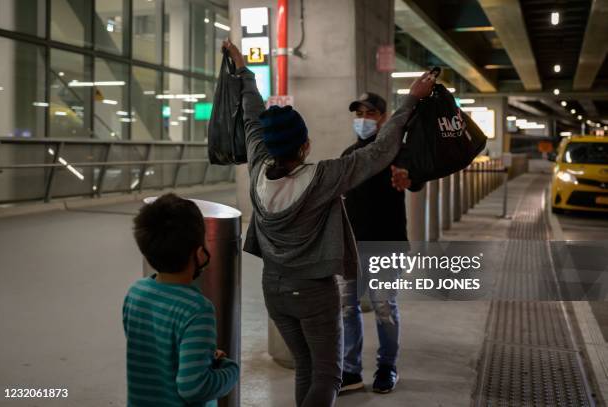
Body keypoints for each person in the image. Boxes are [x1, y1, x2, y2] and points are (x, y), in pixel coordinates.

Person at [222, 40, 435, 407]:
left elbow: (252, 115)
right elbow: (380, 151)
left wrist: (243, 72)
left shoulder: (257, 168)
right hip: (312, 293)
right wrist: (412, 100)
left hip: (273, 289)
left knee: (306, 365)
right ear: (305, 147)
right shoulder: (321, 179)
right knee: (328, 376)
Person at [339, 93, 425, 394]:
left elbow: (414, 179)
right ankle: (350, 370)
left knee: (383, 307)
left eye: (370, 113)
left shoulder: (395, 153)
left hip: (386, 245)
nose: (363, 119)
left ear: (384, 117)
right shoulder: (349, 155)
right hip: (351, 246)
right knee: (347, 309)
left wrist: (407, 178)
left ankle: (387, 367)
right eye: (358, 113)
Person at [123, 193, 239, 407]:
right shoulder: (197, 310)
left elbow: (157, 351)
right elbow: (194, 388)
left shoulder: (135, 293)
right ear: (200, 253)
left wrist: (202, 356)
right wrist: (229, 370)